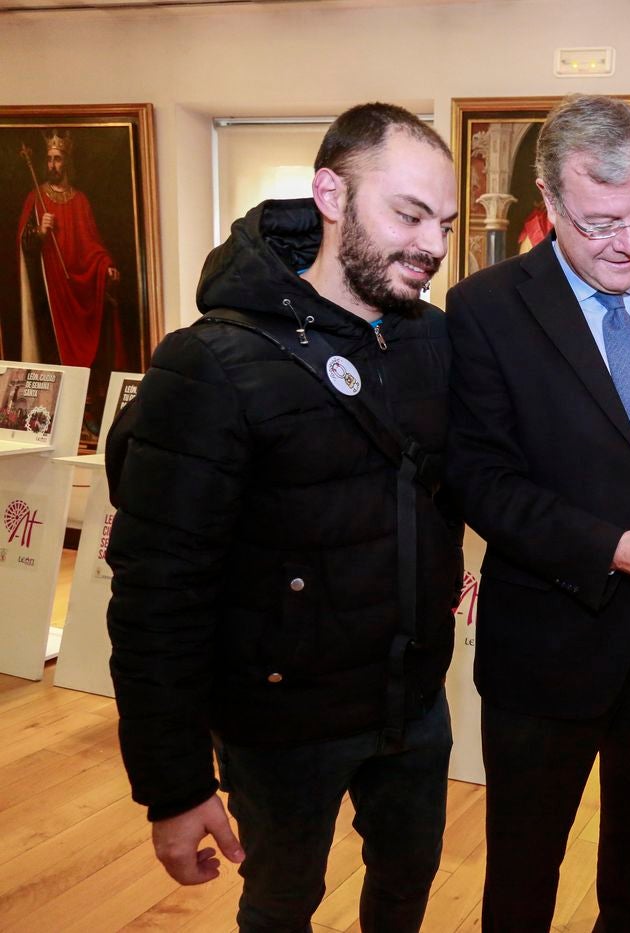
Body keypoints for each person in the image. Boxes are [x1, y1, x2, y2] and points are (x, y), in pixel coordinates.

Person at [105, 103, 463, 931]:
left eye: (443, 224)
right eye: (408, 214)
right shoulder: (211, 363)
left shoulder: (433, 342)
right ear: (330, 195)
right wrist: (175, 785)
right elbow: (157, 596)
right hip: (280, 725)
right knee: (281, 904)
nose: (432, 247)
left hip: (413, 703)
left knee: (407, 886)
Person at [442, 93, 630, 932]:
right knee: (524, 876)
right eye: (601, 222)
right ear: (548, 201)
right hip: (548, 646)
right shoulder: (485, 310)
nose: (628, 242)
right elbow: (480, 479)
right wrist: (612, 545)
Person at [13, 129, 126, 425]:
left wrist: (106, 265)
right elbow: (24, 247)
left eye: (58, 159)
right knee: (52, 347)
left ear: (67, 162)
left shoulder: (80, 201)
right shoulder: (36, 198)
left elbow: (92, 244)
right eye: (49, 159)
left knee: (103, 324)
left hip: (79, 286)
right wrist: (40, 232)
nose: (53, 164)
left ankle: (91, 409)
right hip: (51, 292)